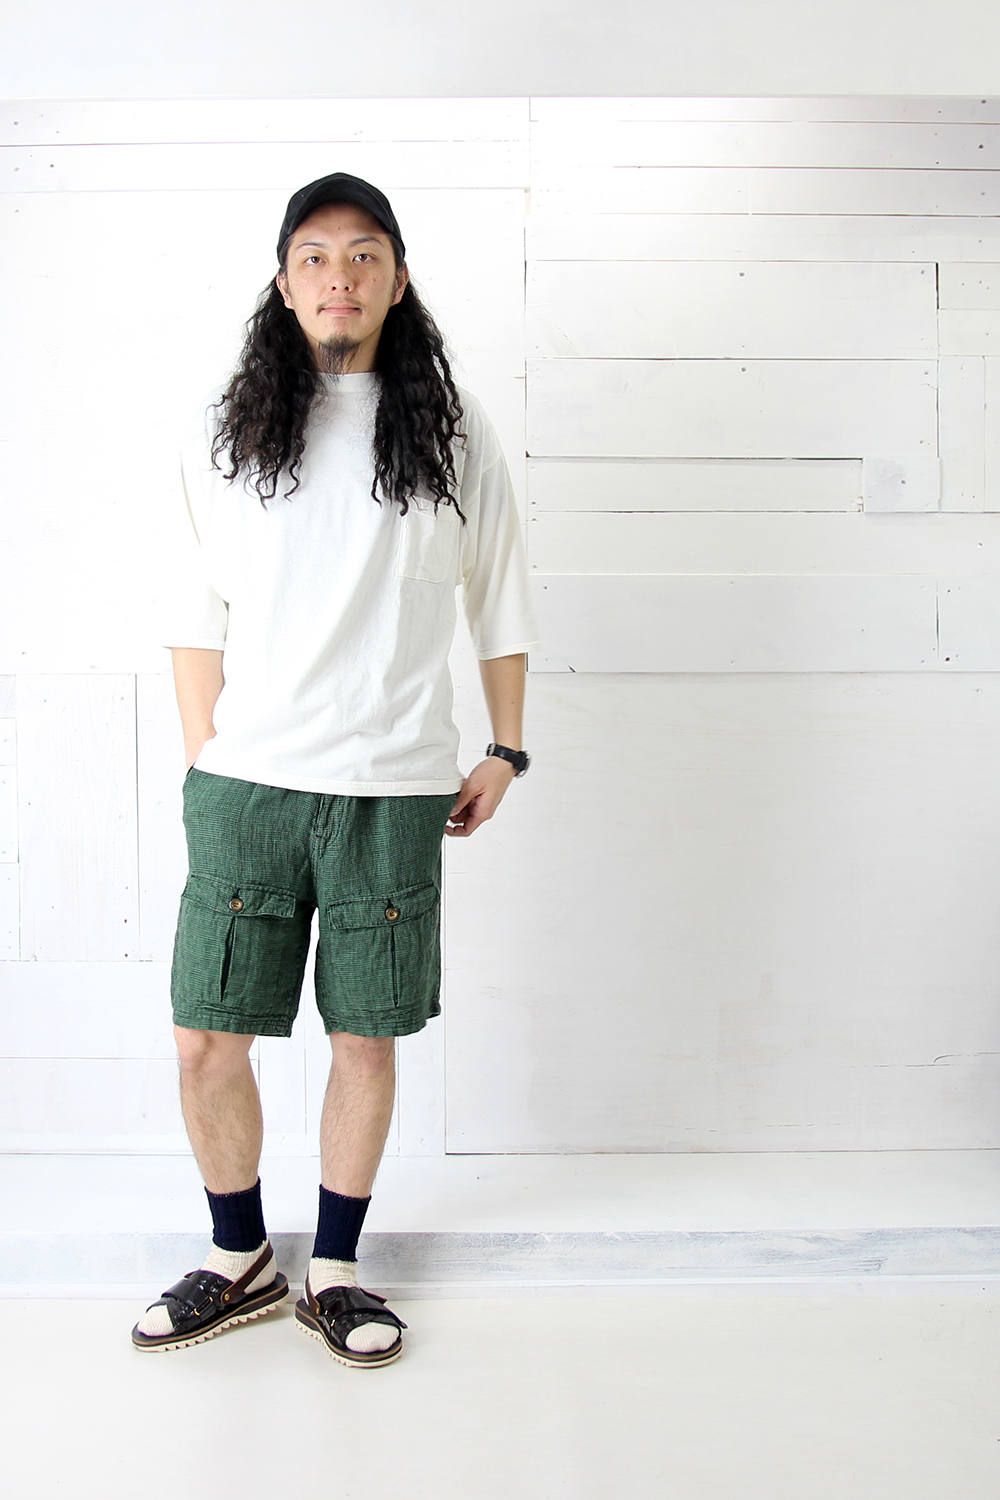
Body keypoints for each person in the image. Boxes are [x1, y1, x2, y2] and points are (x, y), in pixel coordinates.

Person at [132, 172, 540, 1368]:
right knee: (206, 1037)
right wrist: (209, 764)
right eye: (313, 256)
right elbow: (189, 611)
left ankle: (338, 1271)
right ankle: (240, 1257)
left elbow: (501, 594)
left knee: (366, 1036)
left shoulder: (452, 428)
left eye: (364, 254)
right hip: (247, 787)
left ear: (398, 279)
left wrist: (506, 747)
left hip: (395, 788)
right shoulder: (226, 427)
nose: (339, 276)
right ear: (283, 283)